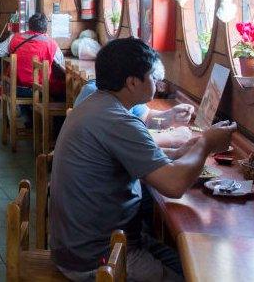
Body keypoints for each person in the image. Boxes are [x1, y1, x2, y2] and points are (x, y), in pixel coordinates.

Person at [49, 38, 237, 281]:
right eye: (152, 76)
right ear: (132, 82)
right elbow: (173, 186)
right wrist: (206, 143)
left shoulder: (99, 105)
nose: (157, 84)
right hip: (98, 257)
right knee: (194, 275)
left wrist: (186, 150)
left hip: (90, 244)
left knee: (190, 267)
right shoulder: (117, 120)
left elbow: (144, 159)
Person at [0, 13, 65, 116]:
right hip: (40, 90)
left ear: (29, 26)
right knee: (63, 89)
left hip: (16, 88)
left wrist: (11, 55)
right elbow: (61, 61)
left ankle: (28, 117)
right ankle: (46, 124)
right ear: (46, 28)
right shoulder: (51, 43)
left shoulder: (15, 38)